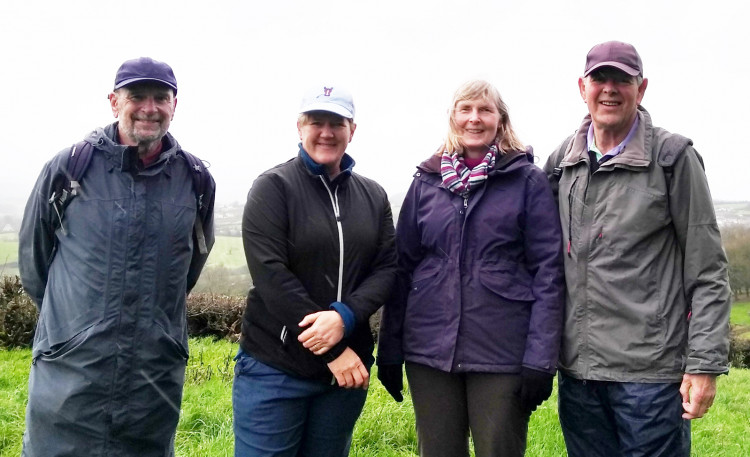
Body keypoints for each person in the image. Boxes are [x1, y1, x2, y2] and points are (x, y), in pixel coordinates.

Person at [18, 57, 215, 457]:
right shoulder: (69, 168)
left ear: (175, 104)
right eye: (136, 96)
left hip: (152, 375)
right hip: (71, 373)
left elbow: (186, 270)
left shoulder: (195, 180)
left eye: (160, 97)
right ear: (113, 101)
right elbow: (34, 263)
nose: (149, 107)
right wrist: (74, 328)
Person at [543, 41, 731, 457]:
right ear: (582, 86)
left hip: (650, 378)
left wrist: (703, 365)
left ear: (641, 88)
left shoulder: (673, 159)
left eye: (622, 79)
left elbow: (708, 271)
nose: (609, 89)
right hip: (579, 373)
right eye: (600, 79)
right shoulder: (561, 162)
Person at [377, 80, 565, 457]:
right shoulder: (426, 182)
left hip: (501, 352)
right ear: (452, 118)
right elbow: (402, 270)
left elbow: (549, 272)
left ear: (501, 119)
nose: (474, 119)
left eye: (485, 110)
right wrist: (390, 348)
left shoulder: (526, 181)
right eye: (465, 110)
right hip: (429, 351)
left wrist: (541, 359)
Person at [233, 84, 397, 457]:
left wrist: (345, 317)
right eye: (316, 122)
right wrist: (332, 350)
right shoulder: (272, 187)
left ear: (352, 130)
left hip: (343, 380)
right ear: (299, 127)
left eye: (336, 122)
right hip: (275, 368)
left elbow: (388, 268)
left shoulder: (373, 196)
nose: (326, 132)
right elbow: (271, 275)